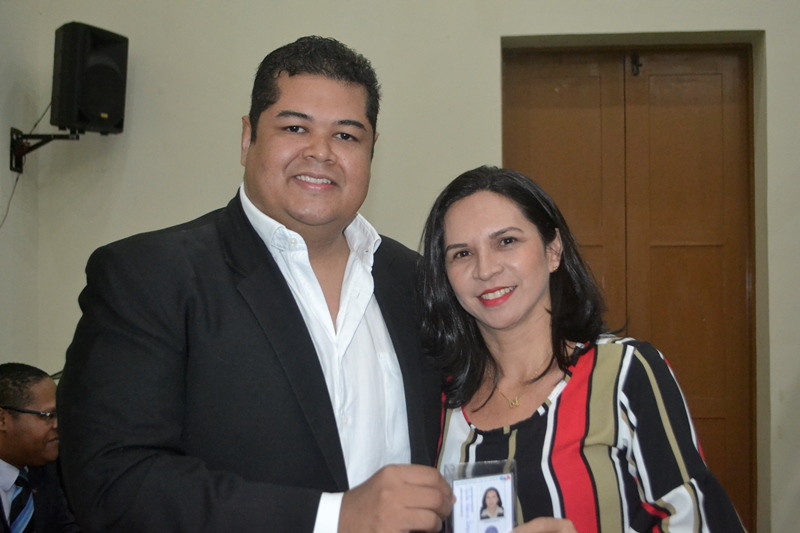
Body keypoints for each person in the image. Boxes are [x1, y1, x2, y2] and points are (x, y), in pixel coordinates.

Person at [57, 36, 452, 532]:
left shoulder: (417, 282)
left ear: (372, 151)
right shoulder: (150, 276)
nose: (321, 152)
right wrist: (333, 518)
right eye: (295, 127)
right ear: (248, 139)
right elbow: (114, 483)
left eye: (346, 136)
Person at [419, 166, 745, 532]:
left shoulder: (626, 373)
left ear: (553, 250)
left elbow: (702, 522)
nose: (486, 269)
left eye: (506, 241)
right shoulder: (437, 401)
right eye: (462, 253)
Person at [0, 363, 80, 533]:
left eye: (59, 414)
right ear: (2, 420)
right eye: (48, 415)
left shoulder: (44, 469)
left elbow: (64, 528)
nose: (58, 425)